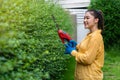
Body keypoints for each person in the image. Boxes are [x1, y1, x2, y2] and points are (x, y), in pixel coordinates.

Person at [64, 9, 104, 80]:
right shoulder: (89, 35)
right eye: (84, 18)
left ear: (96, 20)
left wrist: (72, 52)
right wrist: (76, 46)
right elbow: (85, 49)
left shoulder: (95, 37)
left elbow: (88, 59)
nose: (85, 20)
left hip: (90, 77)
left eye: (87, 18)